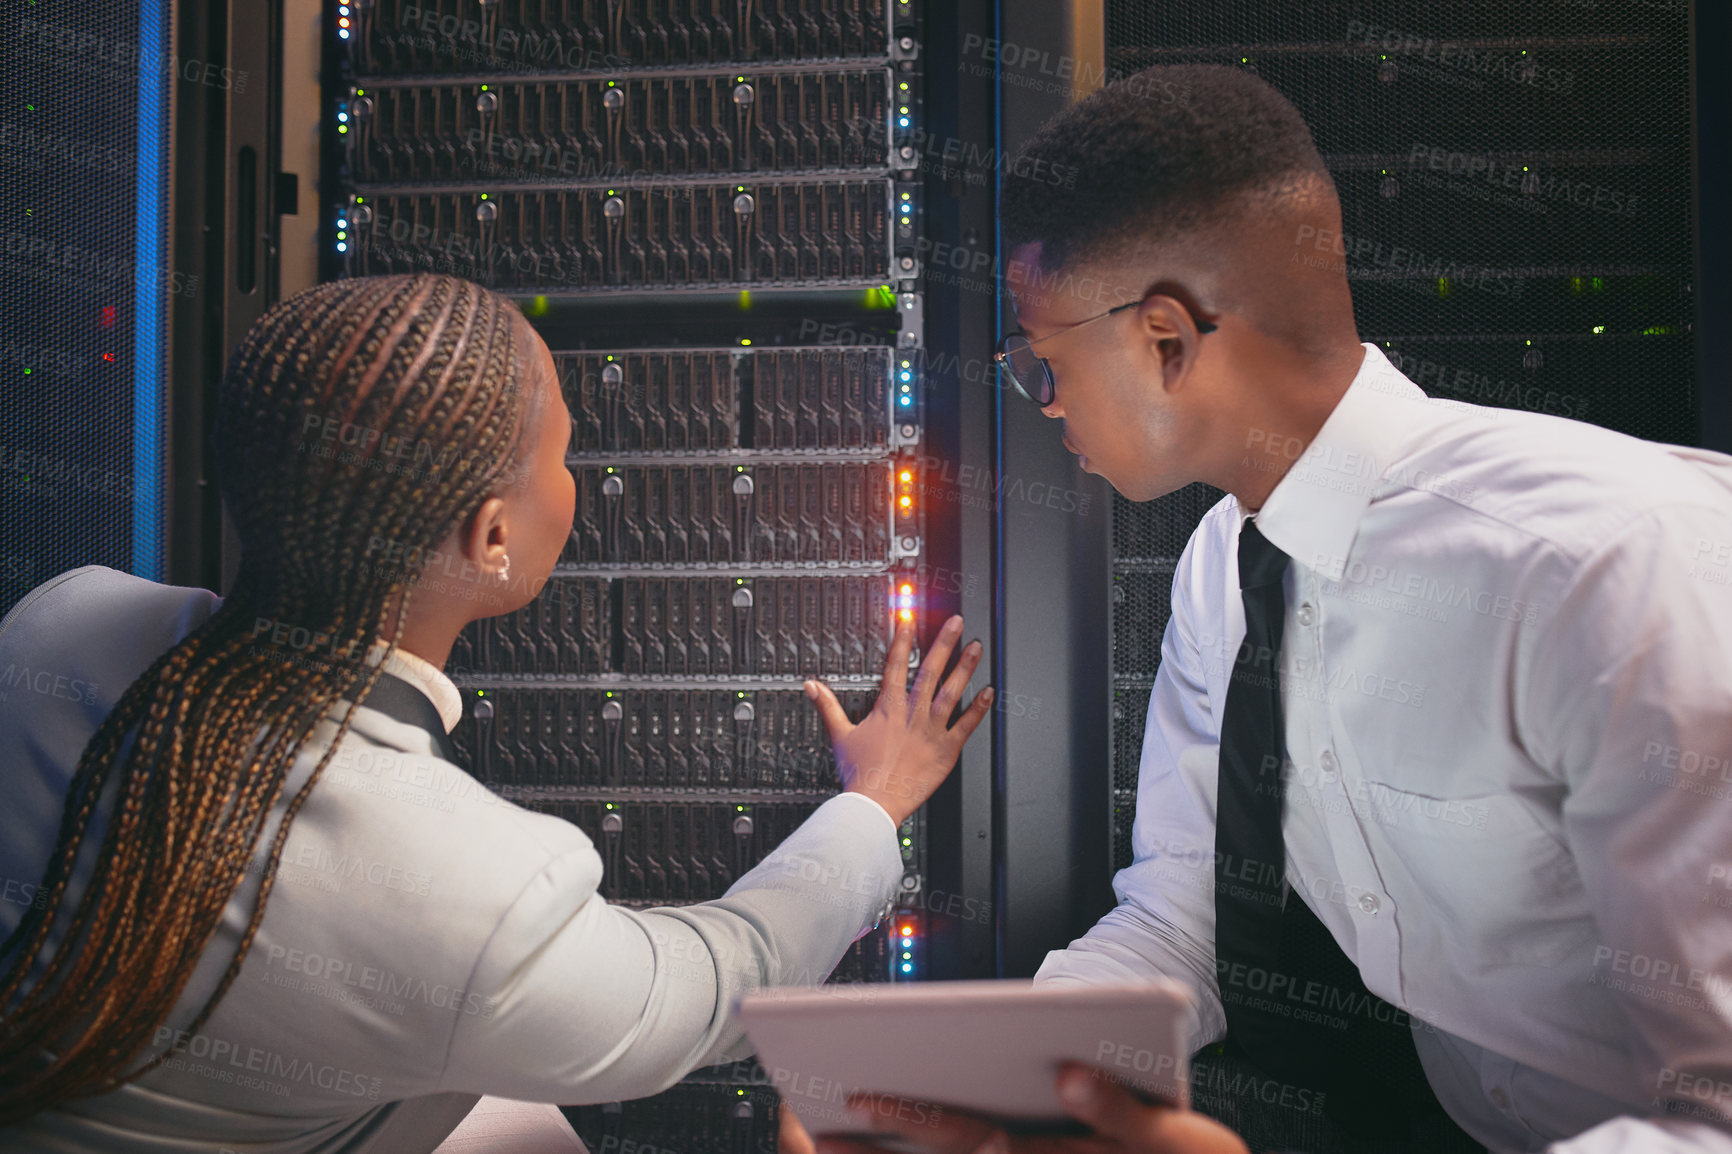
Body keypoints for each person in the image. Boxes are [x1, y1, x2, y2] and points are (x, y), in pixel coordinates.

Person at [814, 63, 1732, 1154]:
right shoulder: (1223, 567)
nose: (1040, 405)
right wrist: (984, 1084)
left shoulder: (1604, 567)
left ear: (1165, 339)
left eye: (1040, 367)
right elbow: (1183, 910)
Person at [0, 272, 995, 1152]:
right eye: (563, 453)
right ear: (490, 537)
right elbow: (718, 984)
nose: (576, 480)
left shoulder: (60, 623)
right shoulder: (471, 895)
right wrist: (880, 796)